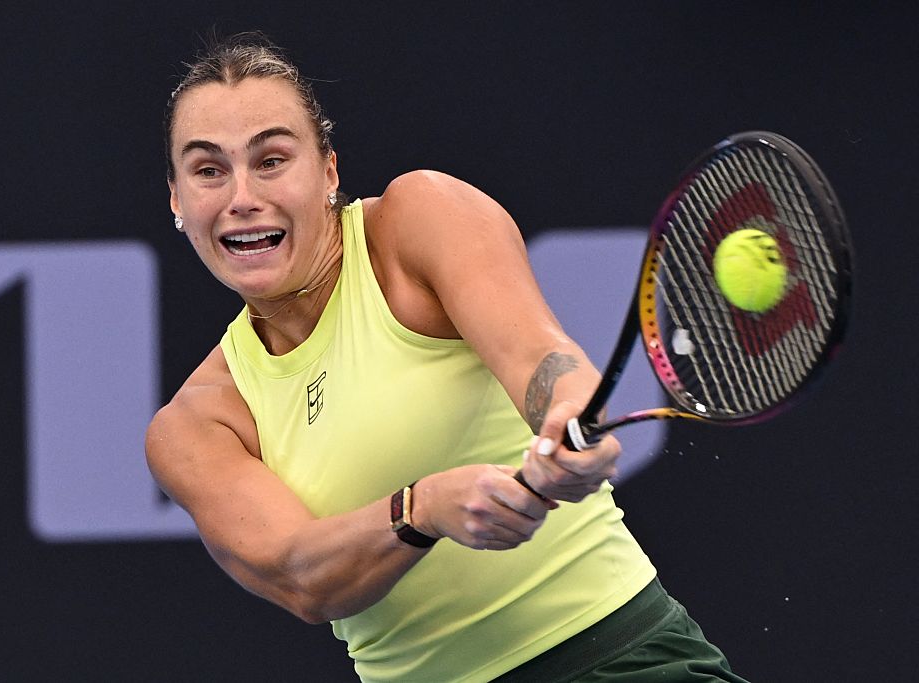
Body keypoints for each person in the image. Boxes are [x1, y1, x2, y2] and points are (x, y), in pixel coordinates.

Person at [146, 32, 747, 683]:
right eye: (209, 169)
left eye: (271, 160)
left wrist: (572, 416)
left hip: (618, 660)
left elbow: (542, 358)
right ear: (178, 199)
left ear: (328, 172)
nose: (242, 196)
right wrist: (421, 508)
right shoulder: (196, 425)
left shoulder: (420, 219)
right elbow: (302, 577)